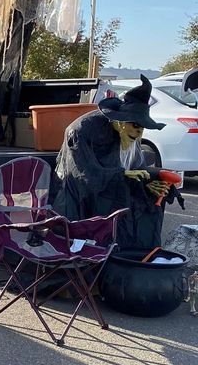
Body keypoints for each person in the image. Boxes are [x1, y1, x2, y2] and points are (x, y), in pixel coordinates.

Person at [53, 75, 169, 250]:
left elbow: (137, 167)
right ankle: (106, 254)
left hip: (111, 186)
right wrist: (120, 175)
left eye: (142, 127)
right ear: (121, 121)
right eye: (135, 125)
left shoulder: (132, 136)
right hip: (82, 194)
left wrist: (147, 183)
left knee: (151, 197)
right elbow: (83, 173)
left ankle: (140, 252)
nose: (138, 133)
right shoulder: (83, 130)